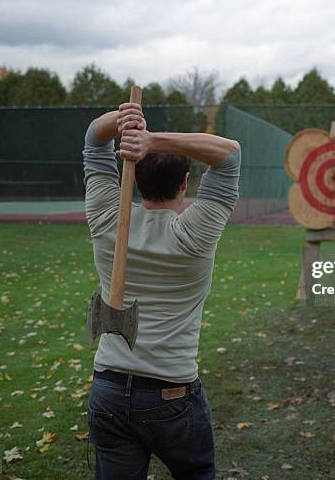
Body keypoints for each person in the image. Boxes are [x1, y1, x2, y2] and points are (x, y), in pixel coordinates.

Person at [83, 101, 240, 479]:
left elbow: (93, 139)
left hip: (108, 386)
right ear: (186, 182)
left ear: (133, 178)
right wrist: (153, 140)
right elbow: (230, 155)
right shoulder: (195, 234)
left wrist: (124, 123)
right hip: (172, 393)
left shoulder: (107, 218)